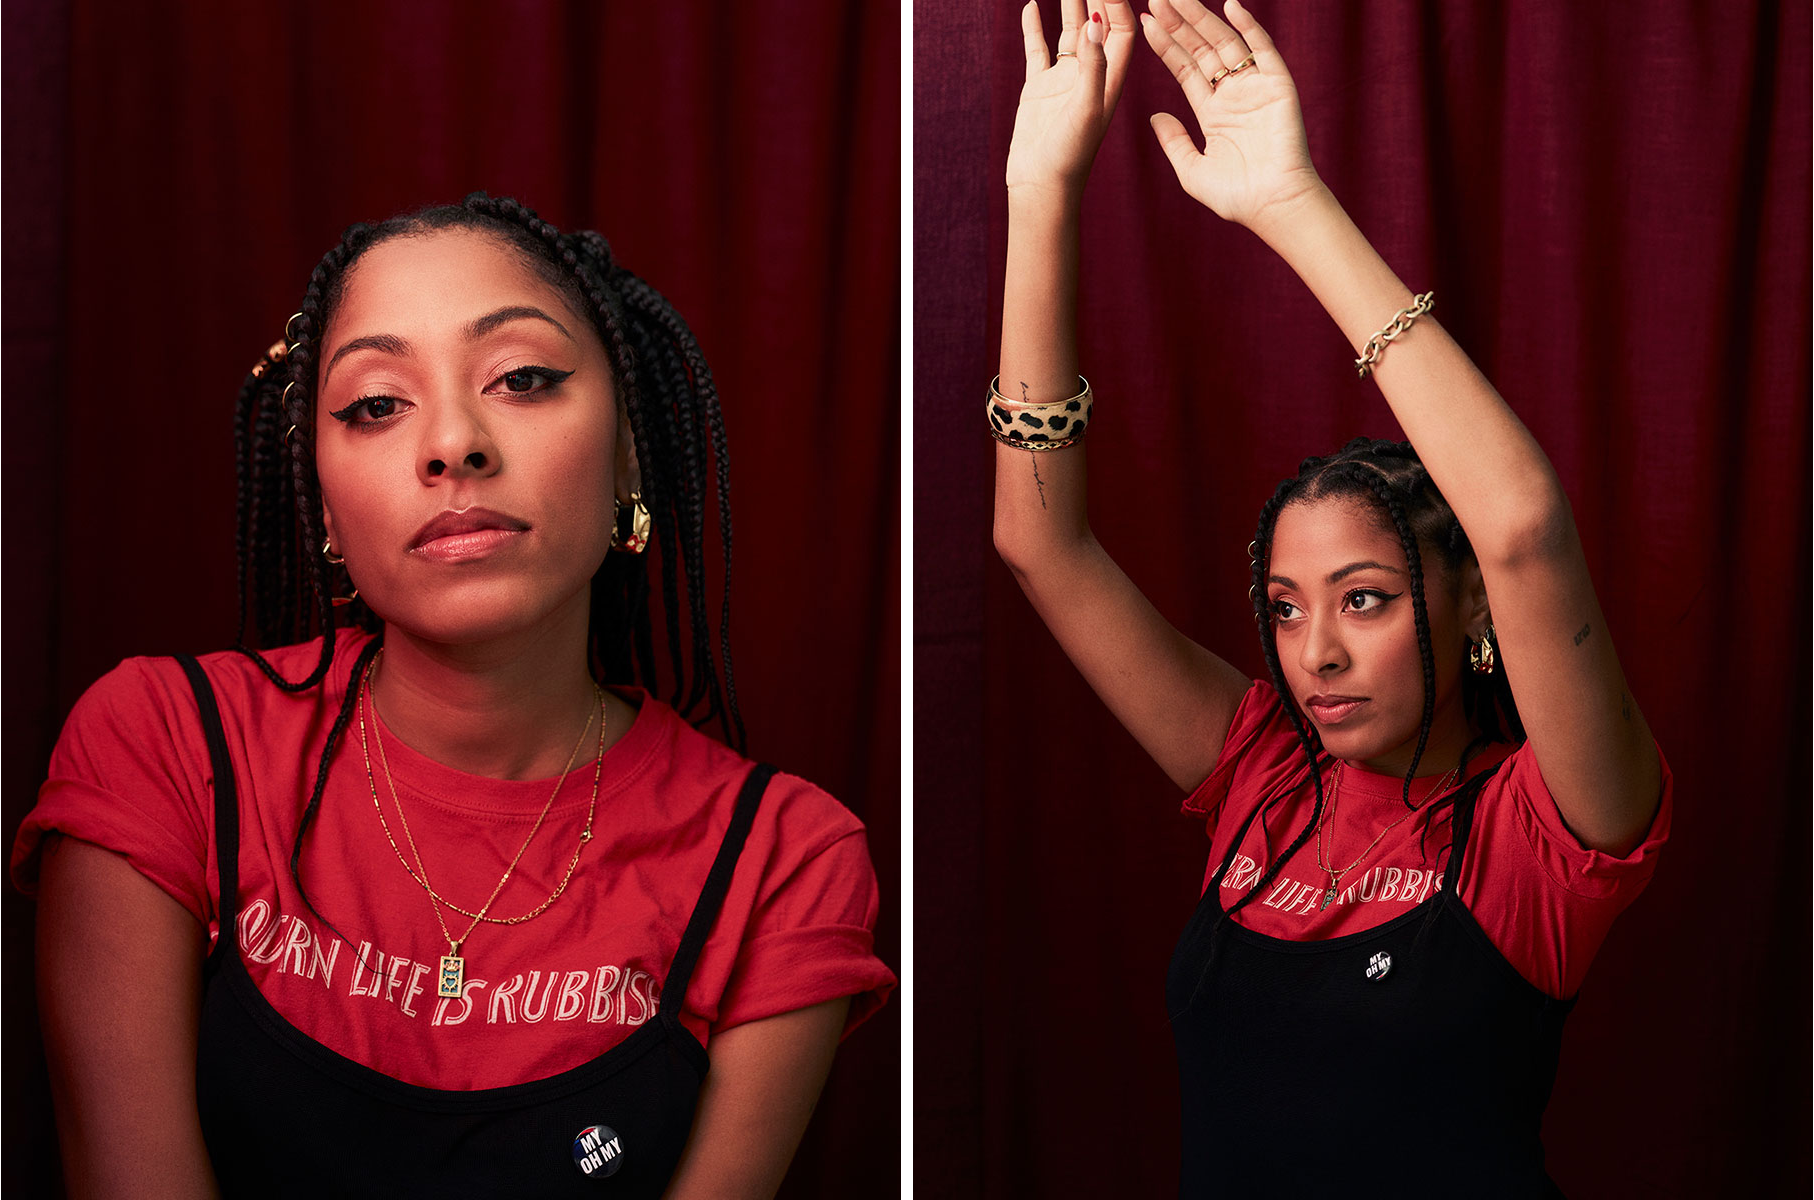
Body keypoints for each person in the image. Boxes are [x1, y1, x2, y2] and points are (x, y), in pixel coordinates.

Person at [14, 195, 894, 1198]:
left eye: (521, 378)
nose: (452, 445)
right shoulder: (166, 745)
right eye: (376, 405)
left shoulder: (783, 859)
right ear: (326, 511)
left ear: (625, 462)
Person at [992, 1, 1670, 1191]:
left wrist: (1289, 207)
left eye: (1363, 600)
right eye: (1285, 607)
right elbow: (1042, 547)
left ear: (1468, 613)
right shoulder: (1262, 779)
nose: (1314, 654)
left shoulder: (1542, 832)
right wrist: (1039, 192)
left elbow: (1516, 527)